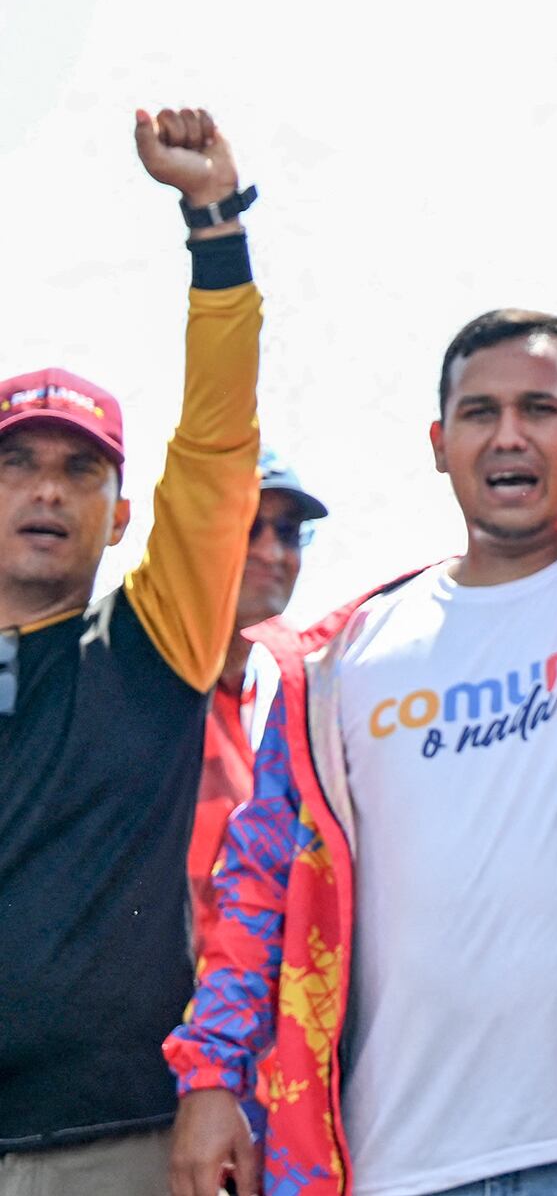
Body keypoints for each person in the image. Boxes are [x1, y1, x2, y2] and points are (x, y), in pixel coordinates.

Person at [166, 83, 557, 1196]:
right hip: (398, 1153)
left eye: (542, 409)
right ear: (439, 443)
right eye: (481, 411)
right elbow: (260, 878)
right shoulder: (341, 657)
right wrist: (213, 1076)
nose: (510, 433)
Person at [0, 108, 262, 1194]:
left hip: (118, 1145)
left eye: (80, 468)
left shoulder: (153, 640)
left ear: (119, 512)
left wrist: (215, 230)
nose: (48, 489)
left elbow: (215, 445)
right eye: (18, 463)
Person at [186, 449, 327, 945]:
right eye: (249, 527)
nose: (271, 551)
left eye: (287, 532)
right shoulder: (146, 687)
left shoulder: (261, 704)